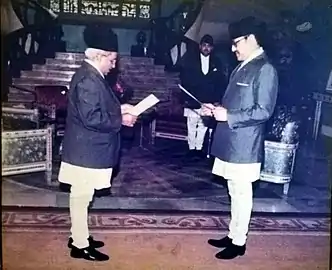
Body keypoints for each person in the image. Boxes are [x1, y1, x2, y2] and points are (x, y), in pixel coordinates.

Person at [58, 25, 137, 261]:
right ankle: (80, 245)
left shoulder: (92, 76)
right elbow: (92, 118)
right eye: (112, 60)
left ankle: (78, 235)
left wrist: (119, 108)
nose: (114, 64)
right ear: (99, 56)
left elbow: (98, 108)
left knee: (84, 196)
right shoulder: (88, 80)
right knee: (81, 197)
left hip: (89, 149)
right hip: (86, 150)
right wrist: (121, 119)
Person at [201, 17, 278, 260]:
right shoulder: (243, 65)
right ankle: (233, 234)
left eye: (237, 43)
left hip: (245, 145)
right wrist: (215, 109)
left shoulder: (265, 69)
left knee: (242, 193)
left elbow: (264, 111)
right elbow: (234, 103)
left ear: (252, 39)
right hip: (231, 142)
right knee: (233, 190)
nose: (233, 48)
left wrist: (228, 116)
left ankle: (239, 241)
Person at [180, 34, 226, 157]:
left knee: (203, 125)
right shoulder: (190, 60)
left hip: (209, 99)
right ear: (200, 46)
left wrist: (217, 100)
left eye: (209, 46)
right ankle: (191, 148)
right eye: (204, 46)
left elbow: (220, 82)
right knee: (191, 124)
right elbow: (184, 79)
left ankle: (199, 149)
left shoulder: (217, 62)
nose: (206, 48)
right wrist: (187, 99)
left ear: (212, 48)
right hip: (193, 99)